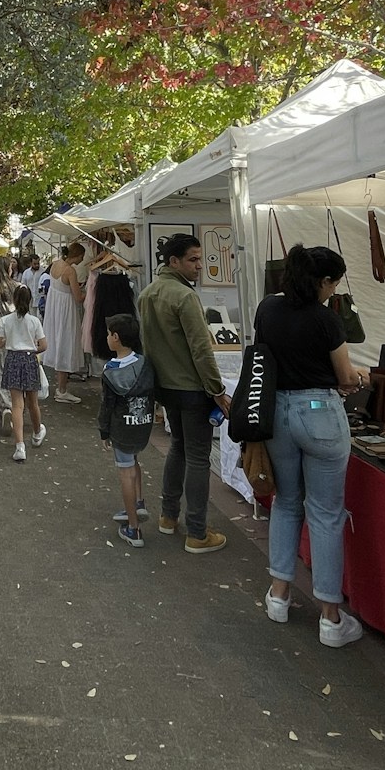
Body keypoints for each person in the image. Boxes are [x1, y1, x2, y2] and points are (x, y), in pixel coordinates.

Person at [258, 243, 366, 647]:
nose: (333, 290)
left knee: (286, 503)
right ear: (323, 282)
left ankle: (279, 596)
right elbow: (345, 377)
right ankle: (330, 617)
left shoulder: (268, 308)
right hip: (319, 411)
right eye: (334, 283)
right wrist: (361, 377)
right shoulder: (326, 320)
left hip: (278, 413)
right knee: (325, 514)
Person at [138, 232, 230, 554]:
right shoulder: (184, 297)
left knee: (179, 447)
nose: (199, 266)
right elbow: (201, 349)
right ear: (173, 261)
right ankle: (197, 531)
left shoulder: (148, 293)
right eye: (193, 259)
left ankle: (168, 516)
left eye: (200, 259)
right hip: (190, 389)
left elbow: (149, 345)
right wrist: (217, 390)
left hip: (165, 387)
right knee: (198, 457)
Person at [98, 313, 156, 548]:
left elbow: (106, 405)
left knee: (125, 471)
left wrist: (104, 431)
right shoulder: (144, 363)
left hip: (122, 427)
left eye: (109, 334)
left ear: (116, 338)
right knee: (134, 462)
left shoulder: (110, 371)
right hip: (143, 424)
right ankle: (139, 503)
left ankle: (133, 527)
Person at [0, 283, 47, 462]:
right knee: (33, 403)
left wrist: (6, 342)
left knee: (17, 405)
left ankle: (20, 446)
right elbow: (43, 345)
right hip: (29, 359)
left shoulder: (5, 320)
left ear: (14, 300)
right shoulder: (34, 321)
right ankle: (38, 432)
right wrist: (32, 350)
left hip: (13, 359)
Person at [42, 243, 88, 403]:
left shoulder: (55, 264)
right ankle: (62, 390)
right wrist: (89, 290)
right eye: (82, 256)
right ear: (77, 255)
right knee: (65, 343)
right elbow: (78, 298)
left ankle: (60, 387)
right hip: (66, 310)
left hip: (54, 309)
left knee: (58, 342)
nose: (83, 259)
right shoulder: (70, 271)